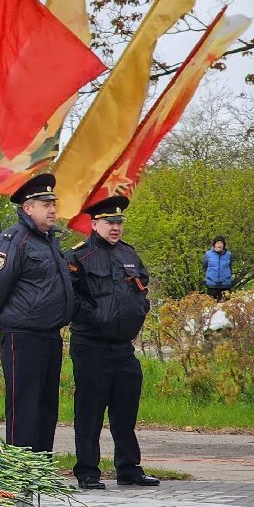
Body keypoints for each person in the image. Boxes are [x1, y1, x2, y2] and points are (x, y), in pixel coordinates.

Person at [0, 172, 75, 453]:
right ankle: (21, 467)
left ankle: (41, 466)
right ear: (28, 208)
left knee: (46, 406)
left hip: (49, 335)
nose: (52, 209)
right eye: (45, 204)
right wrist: (2, 318)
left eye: (53, 203)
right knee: (24, 406)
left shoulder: (49, 241)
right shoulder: (14, 240)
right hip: (23, 336)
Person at [65, 196, 159, 489]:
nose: (115, 227)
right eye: (109, 222)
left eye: (119, 222)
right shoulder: (78, 256)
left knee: (125, 409)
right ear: (94, 224)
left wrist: (139, 311)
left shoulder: (128, 255)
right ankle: (88, 471)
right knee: (90, 412)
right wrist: (96, 317)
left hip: (122, 347)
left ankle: (128, 468)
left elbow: (141, 288)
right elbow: (71, 297)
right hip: (91, 344)